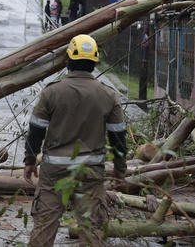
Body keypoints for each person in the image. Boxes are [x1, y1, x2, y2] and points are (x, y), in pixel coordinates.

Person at [23, 34, 127, 246]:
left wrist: (30, 161)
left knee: (44, 226)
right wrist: (120, 168)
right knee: (92, 229)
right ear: (94, 62)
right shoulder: (109, 95)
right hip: (90, 173)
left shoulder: (51, 92)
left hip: (54, 175)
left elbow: (36, 131)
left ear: (68, 60)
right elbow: (118, 137)